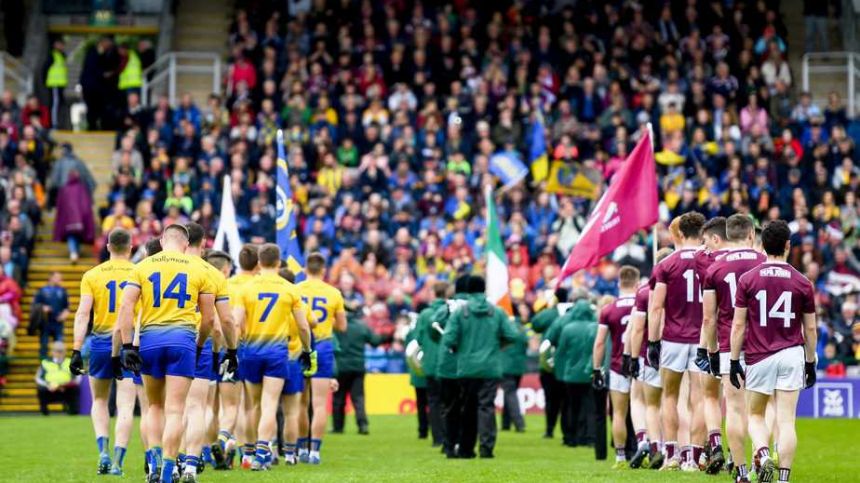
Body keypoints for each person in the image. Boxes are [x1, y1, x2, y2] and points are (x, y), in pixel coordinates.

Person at [115, 224, 236, 483]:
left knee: (153, 407)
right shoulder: (200, 269)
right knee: (176, 410)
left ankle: (154, 464)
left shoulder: (142, 266)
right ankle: (170, 472)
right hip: (183, 341)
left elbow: (125, 306)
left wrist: (127, 346)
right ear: (185, 244)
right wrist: (201, 345)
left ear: (161, 240)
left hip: (149, 340)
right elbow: (209, 320)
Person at [730, 220, 818, 483]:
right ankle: (783, 479)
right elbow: (810, 329)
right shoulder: (803, 282)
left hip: (759, 355)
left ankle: (763, 454)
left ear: (763, 246)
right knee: (787, 420)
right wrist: (810, 361)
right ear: (788, 245)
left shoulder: (747, 279)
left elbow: (738, 325)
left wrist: (734, 360)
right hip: (792, 353)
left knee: (755, 414)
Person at [232, 243, 312, 471]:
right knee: (269, 405)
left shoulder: (245, 289)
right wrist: (306, 350)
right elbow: (303, 326)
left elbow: (237, 322)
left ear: (259, 262)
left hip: (251, 351)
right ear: (278, 262)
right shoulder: (290, 289)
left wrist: (235, 348)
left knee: (251, 406)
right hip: (277, 352)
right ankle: (261, 454)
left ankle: (247, 455)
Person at [702, 214, 765, 479]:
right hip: (764, 345)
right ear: (752, 235)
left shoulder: (715, 268)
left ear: (727, 234)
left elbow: (709, 317)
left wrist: (712, 351)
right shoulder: (765, 261)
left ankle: (740, 472)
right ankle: (759, 457)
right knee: (762, 411)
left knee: (736, 409)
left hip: (730, 345)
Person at [70, 228, 137, 475]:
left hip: (99, 343)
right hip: (130, 344)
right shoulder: (139, 272)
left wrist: (76, 348)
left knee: (99, 400)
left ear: (108, 247)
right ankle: (118, 461)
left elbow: (82, 314)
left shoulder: (92, 275)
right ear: (130, 247)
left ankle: (103, 452)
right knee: (126, 405)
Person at [647, 212, 707, 470]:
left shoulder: (666, 264)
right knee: (701, 399)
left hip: (673, 338)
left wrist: (652, 342)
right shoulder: (711, 261)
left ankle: (671, 455)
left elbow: (656, 307)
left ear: (679, 234)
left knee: (669, 397)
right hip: (703, 338)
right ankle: (694, 459)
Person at [181, 222, 238, 480]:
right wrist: (223, 351)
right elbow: (219, 323)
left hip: (164, 338)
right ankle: (194, 458)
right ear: (202, 242)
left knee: (168, 408)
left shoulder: (166, 266)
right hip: (201, 344)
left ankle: (170, 460)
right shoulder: (214, 277)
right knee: (204, 407)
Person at [442, 275, 518, 459]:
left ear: (467, 290)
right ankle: (486, 447)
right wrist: (497, 346)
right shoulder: (497, 312)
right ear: (484, 289)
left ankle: (466, 449)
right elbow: (512, 335)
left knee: (467, 408)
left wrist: (460, 348)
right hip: (490, 367)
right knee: (486, 407)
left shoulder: (460, 313)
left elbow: (449, 339)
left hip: (466, 367)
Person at [296, 252, 347, 464]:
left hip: (300, 344)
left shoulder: (296, 290)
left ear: (306, 269)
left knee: (300, 402)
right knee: (319, 403)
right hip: (323, 345)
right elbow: (342, 326)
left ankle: (301, 449)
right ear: (324, 270)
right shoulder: (333, 293)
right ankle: (315, 450)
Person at [213, 244, 258, 469]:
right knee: (246, 405)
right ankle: (246, 453)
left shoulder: (225, 284)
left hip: (216, 346)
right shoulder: (256, 286)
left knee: (219, 404)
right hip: (247, 346)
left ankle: (216, 446)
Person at [628, 247, 674, 470]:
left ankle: (655, 446)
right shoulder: (686, 286)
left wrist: (633, 356)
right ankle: (677, 450)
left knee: (652, 404)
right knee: (677, 402)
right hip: (681, 348)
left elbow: (636, 329)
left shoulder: (645, 291)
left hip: (653, 354)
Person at [592, 265, 639, 468]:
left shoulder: (608, 309)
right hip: (640, 363)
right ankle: (646, 448)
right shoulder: (643, 303)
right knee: (645, 409)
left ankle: (620, 456)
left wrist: (596, 369)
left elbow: (600, 342)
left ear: (619, 283)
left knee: (618, 413)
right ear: (637, 283)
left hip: (617, 365)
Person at [694, 216, 731, 474]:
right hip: (742, 339)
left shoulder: (704, 262)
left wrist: (705, 346)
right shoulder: (753, 258)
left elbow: (709, 314)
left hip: (713, 335)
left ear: (716, 239)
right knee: (737, 401)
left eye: (707, 242)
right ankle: (734, 454)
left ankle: (715, 443)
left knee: (709, 395)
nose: (704, 247)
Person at [546, 290, 600, 455]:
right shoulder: (596, 326)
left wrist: (559, 371)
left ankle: (570, 437)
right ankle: (590, 438)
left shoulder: (567, 326)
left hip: (570, 373)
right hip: (590, 371)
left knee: (570, 406)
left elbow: (559, 350)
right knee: (590, 406)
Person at [432, 275, 470, 458]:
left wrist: (444, 341)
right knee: (468, 408)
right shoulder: (477, 306)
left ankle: (448, 445)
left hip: (447, 364)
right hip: (468, 365)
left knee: (448, 408)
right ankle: (464, 445)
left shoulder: (447, 307)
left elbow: (434, 324)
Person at [333, 301, 385, 434]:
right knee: (358, 398)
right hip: (358, 367)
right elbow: (375, 341)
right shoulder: (362, 327)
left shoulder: (335, 326)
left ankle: (338, 427)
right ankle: (363, 425)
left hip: (340, 367)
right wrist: (387, 336)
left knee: (339, 398)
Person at [530, 288, 570, 439]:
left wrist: (548, 306)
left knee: (551, 399)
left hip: (549, 362)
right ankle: (567, 432)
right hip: (567, 362)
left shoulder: (549, 314)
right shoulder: (571, 314)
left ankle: (549, 429)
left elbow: (535, 324)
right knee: (567, 400)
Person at [413, 281, 449, 446]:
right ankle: (449, 435)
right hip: (448, 364)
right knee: (449, 401)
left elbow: (418, 339)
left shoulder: (425, 314)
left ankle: (437, 439)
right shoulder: (451, 311)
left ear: (434, 294)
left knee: (433, 402)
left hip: (430, 364)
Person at [53, 170, 96, 262]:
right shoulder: (81, 189)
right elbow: (86, 205)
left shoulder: (65, 189)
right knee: (75, 234)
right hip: (80, 219)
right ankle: (74, 251)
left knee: (71, 234)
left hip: (68, 219)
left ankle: (73, 252)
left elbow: (61, 206)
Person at [500, 306, 528, 433]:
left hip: (505, 365)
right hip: (519, 366)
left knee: (510, 393)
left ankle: (519, 423)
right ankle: (505, 423)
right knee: (510, 392)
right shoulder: (522, 328)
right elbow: (526, 343)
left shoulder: (505, 327)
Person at [35, 341, 80, 415]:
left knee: (75, 389)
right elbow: (38, 378)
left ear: (65, 352)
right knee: (40, 389)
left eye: (61, 351)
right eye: (57, 351)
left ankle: (73, 412)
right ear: (52, 351)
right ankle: (44, 412)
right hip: (49, 389)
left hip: (66, 389)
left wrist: (62, 385)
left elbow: (77, 379)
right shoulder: (45, 362)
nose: (59, 353)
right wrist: (48, 385)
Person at [34, 271, 69, 359]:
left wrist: (64, 314)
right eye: (57, 277)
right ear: (51, 278)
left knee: (59, 344)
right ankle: (43, 363)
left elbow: (66, 307)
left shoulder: (62, 291)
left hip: (58, 322)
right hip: (45, 322)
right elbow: (35, 304)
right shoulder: (43, 290)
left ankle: (58, 362)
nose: (59, 279)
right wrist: (43, 307)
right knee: (44, 344)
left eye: (60, 277)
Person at [43, 39, 67, 128]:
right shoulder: (52, 56)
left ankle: (58, 123)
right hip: (54, 84)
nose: (62, 47)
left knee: (59, 104)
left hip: (60, 84)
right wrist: (45, 81)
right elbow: (45, 69)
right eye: (60, 44)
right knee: (55, 104)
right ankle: (54, 124)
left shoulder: (61, 56)